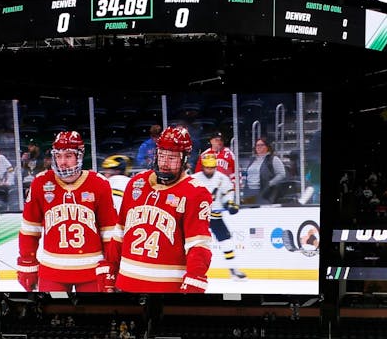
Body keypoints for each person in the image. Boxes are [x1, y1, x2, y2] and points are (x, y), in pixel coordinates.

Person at [17, 130, 121, 293]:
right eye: (58, 156)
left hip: (91, 272)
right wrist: (27, 261)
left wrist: (110, 265)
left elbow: (109, 233)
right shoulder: (41, 183)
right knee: (54, 315)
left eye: (68, 156)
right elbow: (30, 229)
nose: (62, 162)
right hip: (52, 273)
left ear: (79, 156)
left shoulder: (99, 183)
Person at [117, 125, 213, 293]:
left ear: (184, 159)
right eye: (161, 155)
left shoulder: (196, 193)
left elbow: (198, 245)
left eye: (172, 158)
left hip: (167, 288)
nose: (165, 164)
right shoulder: (136, 183)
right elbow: (119, 233)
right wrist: (110, 269)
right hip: (126, 284)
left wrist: (195, 278)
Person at [193, 153, 245, 279]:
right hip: (198, 218)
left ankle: (233, 269)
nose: (210, 170)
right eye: (207, 168)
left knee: (226, 242)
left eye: (212, 168)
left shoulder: (222, 178)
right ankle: (190, 271)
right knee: (193, 245)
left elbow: (228, 194)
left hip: (216, 216)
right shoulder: (194, 179)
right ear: (203, 167)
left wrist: (230, 204)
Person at [242, 137, 288, 206]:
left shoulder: (273, 159)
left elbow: (281, 174)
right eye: (257, 145)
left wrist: (269, 183)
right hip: (249, 191)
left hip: (264, 192)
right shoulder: (253, 160)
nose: (259, 147)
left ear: (267, 147)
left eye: (261, 145)